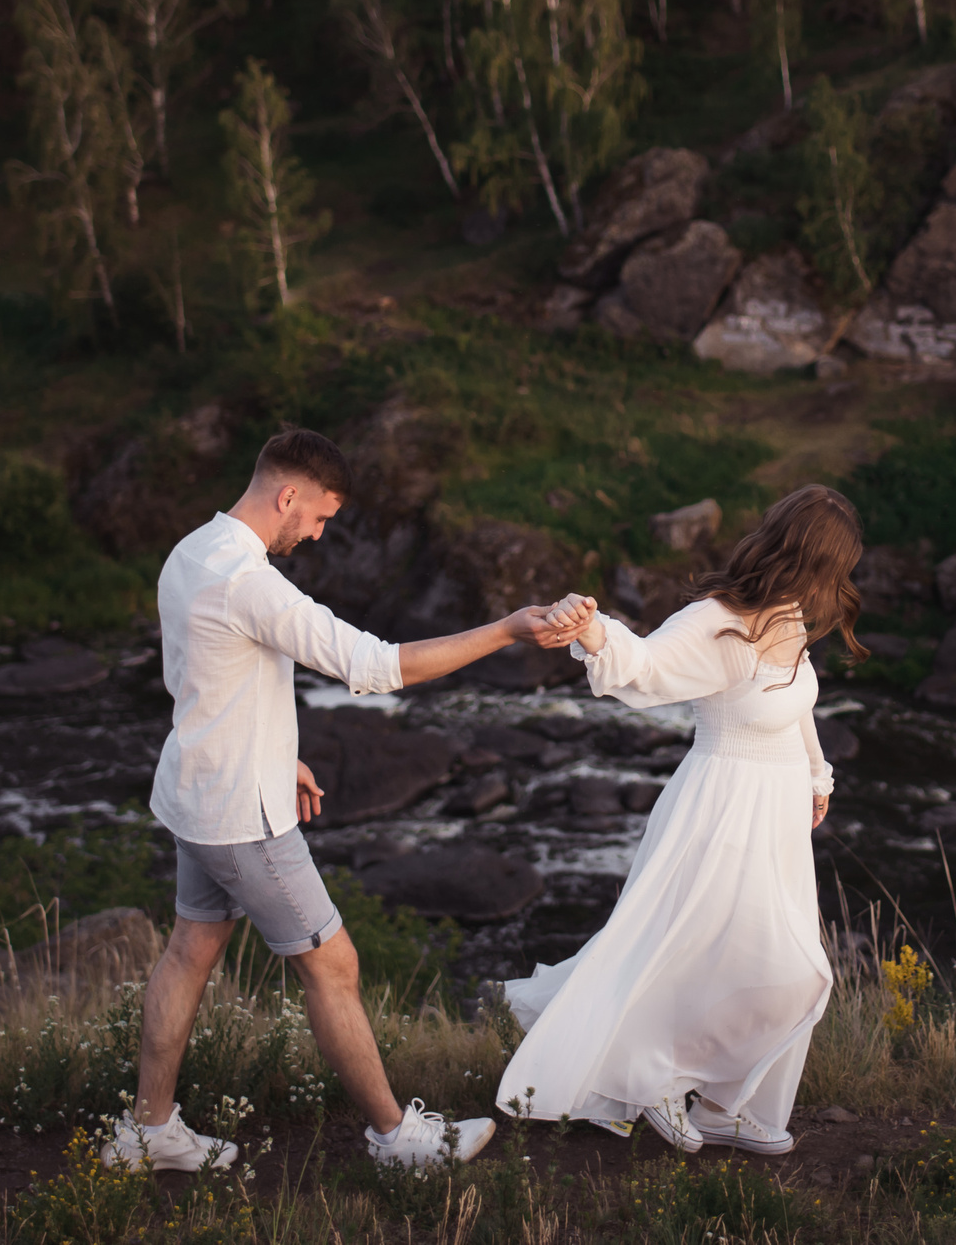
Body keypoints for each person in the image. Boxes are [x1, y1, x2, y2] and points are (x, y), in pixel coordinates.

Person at [102, 427, 596, 1173]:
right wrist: (506, 630)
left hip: (196, 795)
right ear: (287, 493)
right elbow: (374, 666)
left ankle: (148, 1130)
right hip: (245, 819)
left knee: (187, 953)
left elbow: (202, 680)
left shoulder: (191, 552)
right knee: (334, 966)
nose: (318, 531)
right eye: (321, 516)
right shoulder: (252, 582)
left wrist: (281, 753)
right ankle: (399, 1139)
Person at [496, 484, 861, 1155]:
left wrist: (817, 773)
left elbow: (799, 703)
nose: (839, 584)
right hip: (723, 808)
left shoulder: (788, 615)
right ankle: (652, 1075)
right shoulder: (720, 619)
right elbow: (649, 667)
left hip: (776, 820)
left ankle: (721, 1103)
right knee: (737, 959)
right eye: (835, 567)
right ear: (805, 557)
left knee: (748, 962)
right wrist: (597, 629)